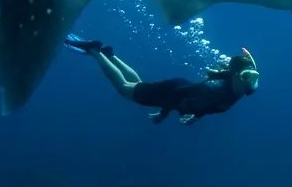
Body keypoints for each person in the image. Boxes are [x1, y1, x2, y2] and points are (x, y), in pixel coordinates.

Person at [63, 35, 260, 124]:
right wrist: (162, 114)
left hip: (181, 87)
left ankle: (110, 55)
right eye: (247, 76)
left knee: (138, 84)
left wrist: (195, 116)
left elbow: (210, 107)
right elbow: (176, 97)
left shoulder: (242, 88)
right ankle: (95, 52)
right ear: (235, 76)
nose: (251, 81)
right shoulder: (215, 88)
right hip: (174, 91)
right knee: (124, 89)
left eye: (253, 77)